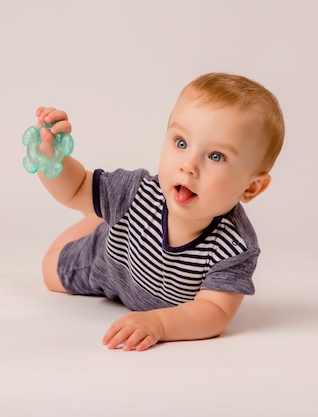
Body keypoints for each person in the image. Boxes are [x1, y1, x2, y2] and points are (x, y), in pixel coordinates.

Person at [32, 73, 284, 351]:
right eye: (180, 143)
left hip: (145, 286)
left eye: (215, 157)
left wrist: (160, 323)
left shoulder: (235, 247)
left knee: (105, 210)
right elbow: (77, 187)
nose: (188, 165)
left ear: (251, 187)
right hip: (107, 264)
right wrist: (52, 160)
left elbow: (215, 312)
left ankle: (102, 214)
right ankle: (98, 218)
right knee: (49, 272)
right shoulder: (134, 192)